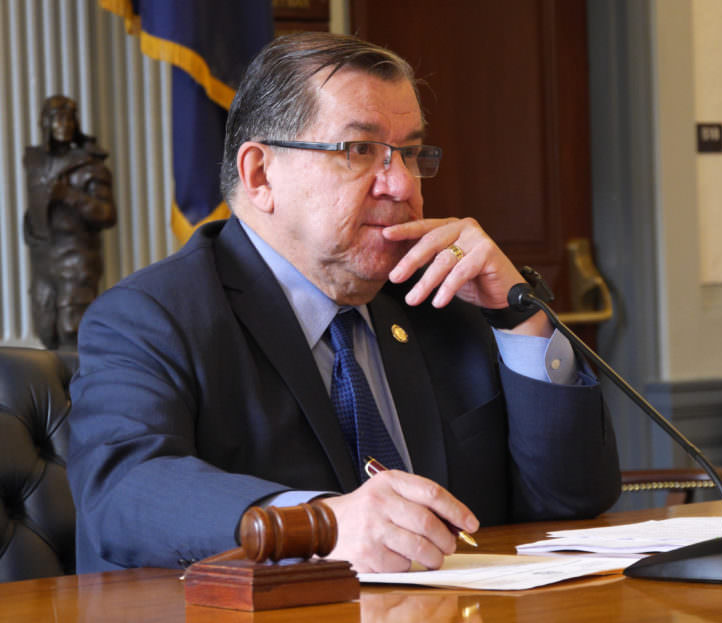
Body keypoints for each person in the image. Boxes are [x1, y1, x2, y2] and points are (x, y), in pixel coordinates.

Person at [68, 32, 620, 574]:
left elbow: (572, 500)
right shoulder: (151, 317)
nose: (402, 185)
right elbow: (124, 491)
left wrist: (517, 317)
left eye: (408, 153)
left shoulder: (442, 298)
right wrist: (320, 525)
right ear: (259, 174)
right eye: (361, 151)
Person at [23, 95, 117, 349]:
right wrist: (30, 228)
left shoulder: (90, 166)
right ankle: (52, 389)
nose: (64, 124)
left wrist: (69, 195)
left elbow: (107, 214)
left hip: (76, 261)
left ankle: (73, 389)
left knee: (72, 332)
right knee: (46, 328)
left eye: (69, 118)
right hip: (43, 261)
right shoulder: (35, 163)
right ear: (46, 123)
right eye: (57, 118)